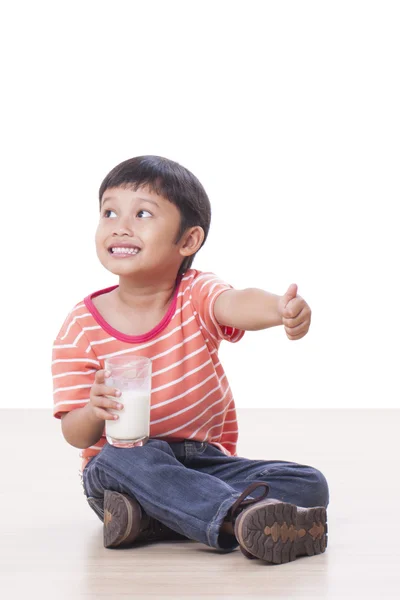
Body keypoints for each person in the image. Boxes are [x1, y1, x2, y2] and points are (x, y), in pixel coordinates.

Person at [52, 155, 329, 564]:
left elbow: (234, 303)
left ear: (188, 241)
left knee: (308, 483)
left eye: (142, 213)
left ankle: (154, 519)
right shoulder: (80, 326)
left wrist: (279, 309)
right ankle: (236, 517)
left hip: (202, 463)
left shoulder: (194, 295)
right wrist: (93, 410)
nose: (119, 225)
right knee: (123, 457)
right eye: (109, 211)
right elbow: (76, 435)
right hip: (121, 471)